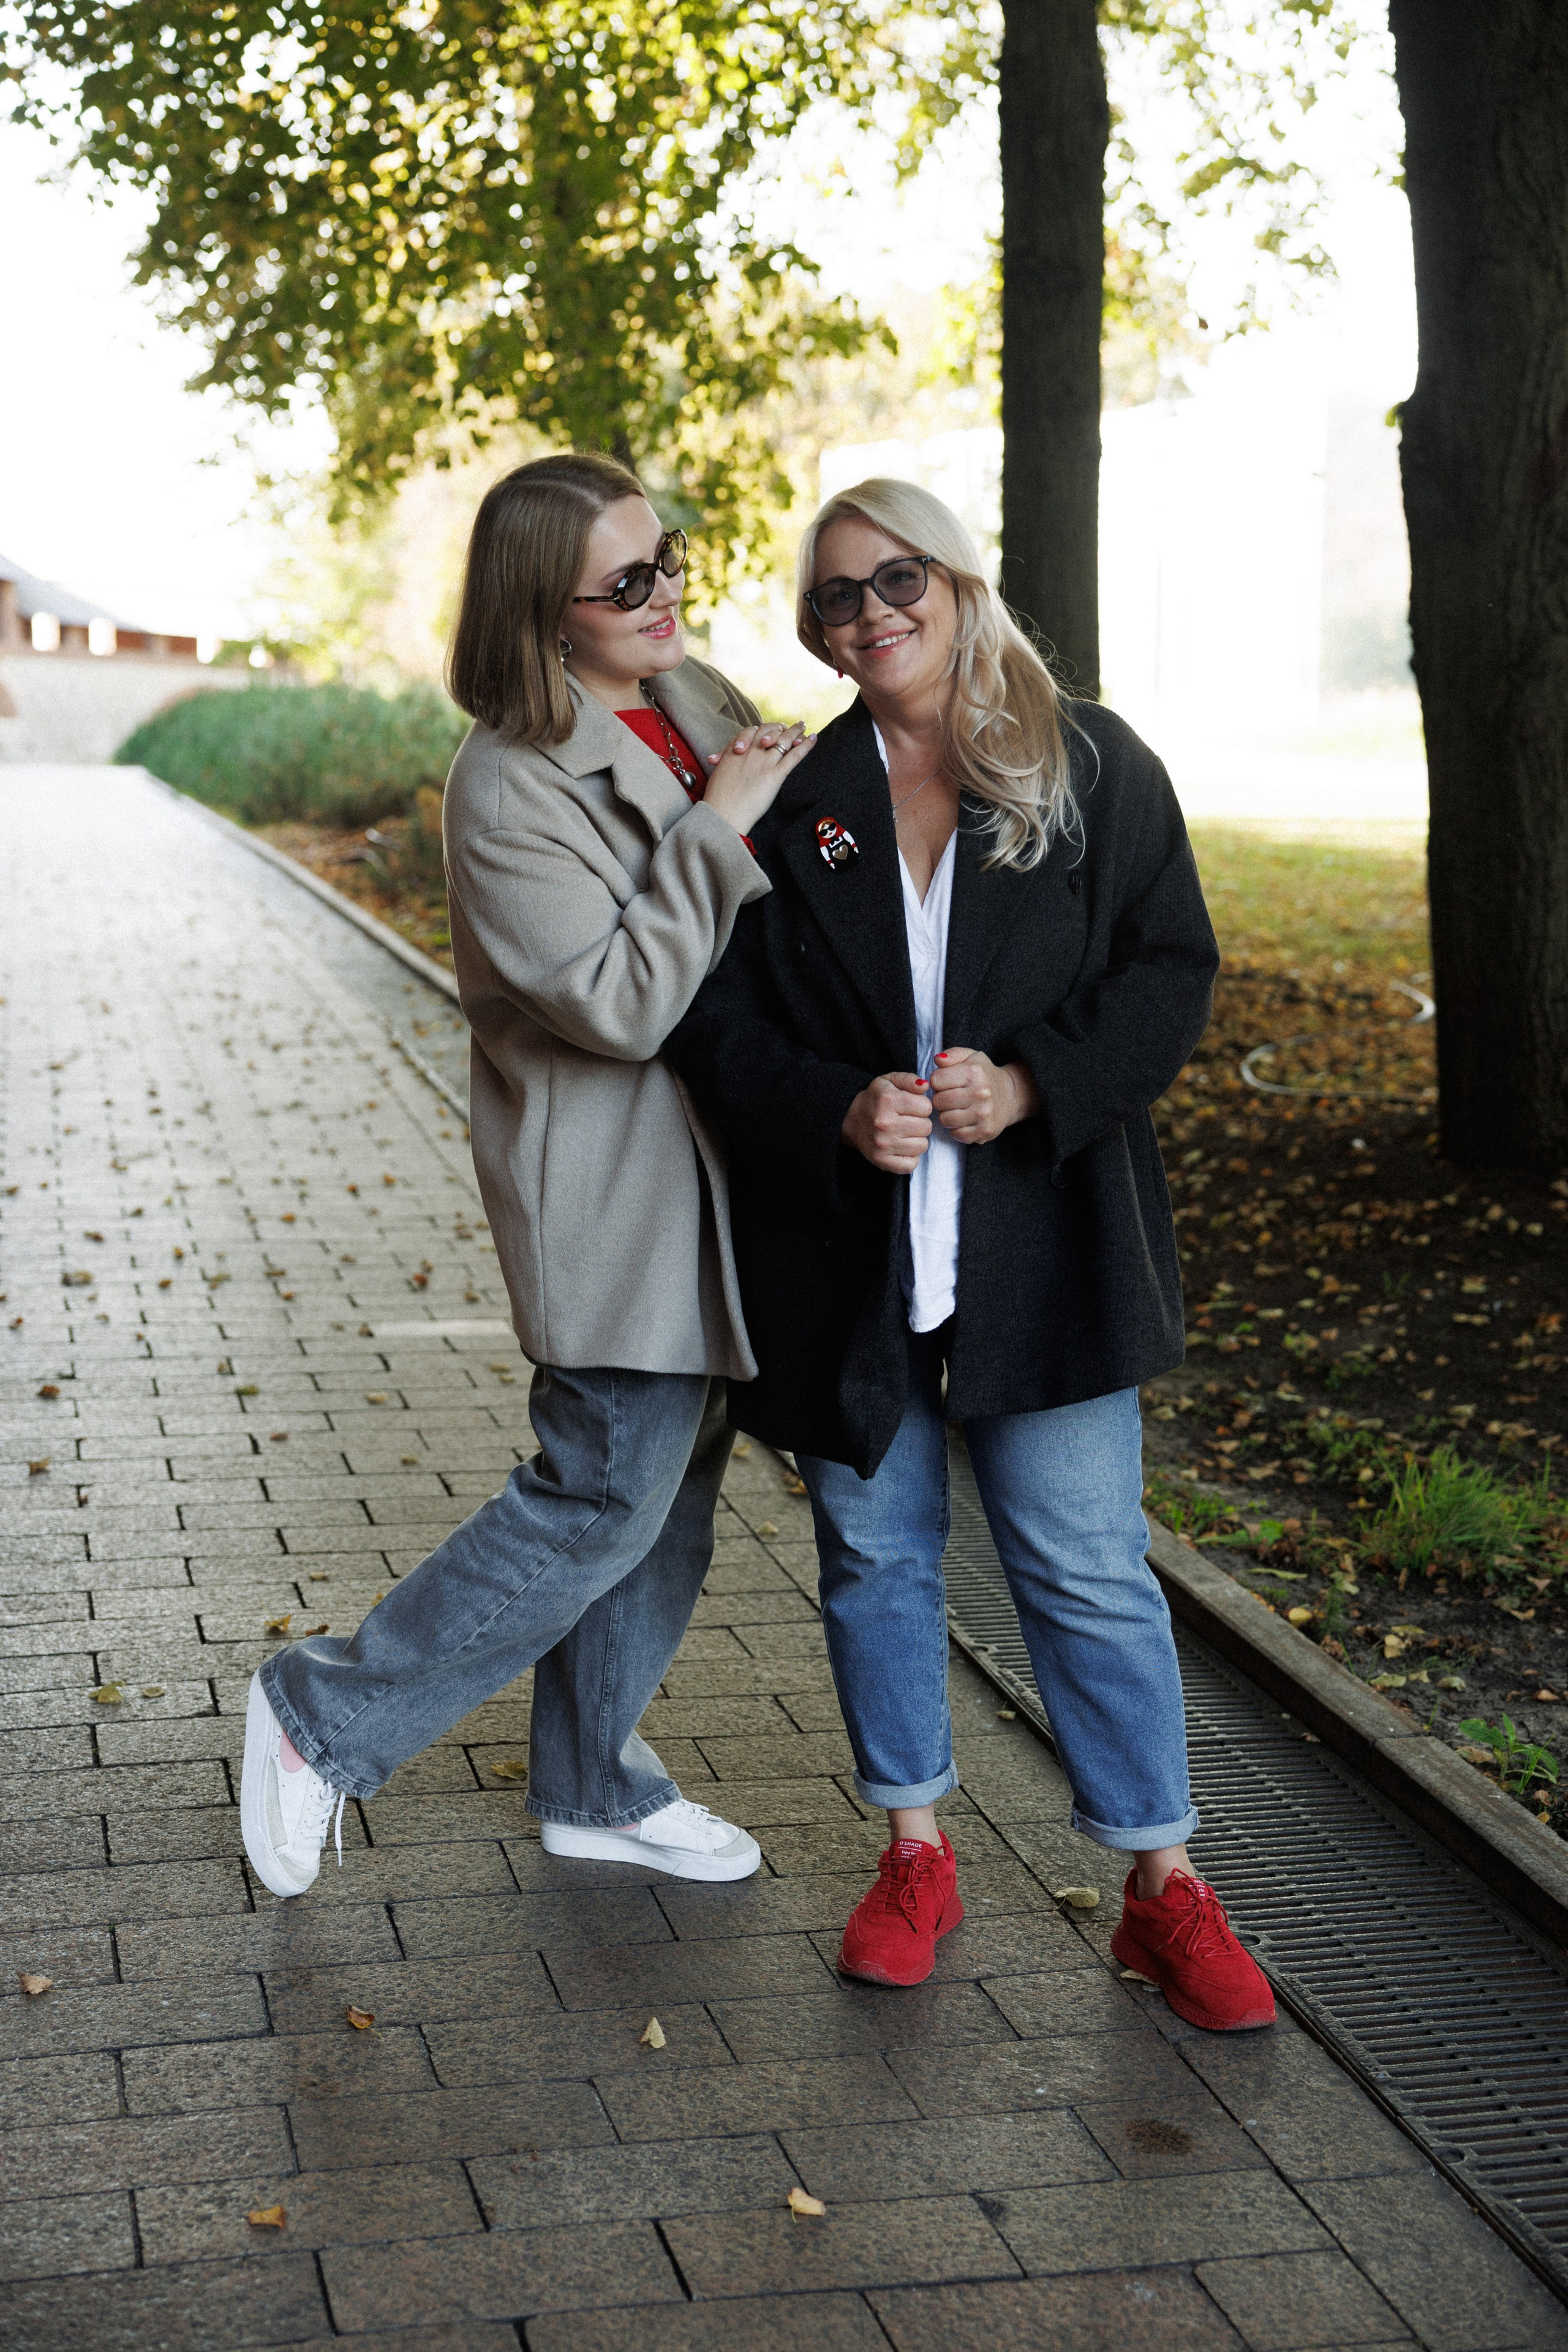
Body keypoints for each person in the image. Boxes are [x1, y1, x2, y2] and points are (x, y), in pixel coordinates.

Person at [667, 478, 1275, 2032]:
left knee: (1083, 1573)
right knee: (874, 1560)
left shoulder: (1087, 763)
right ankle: (913, 1853)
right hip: (854, 1259)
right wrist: (830, 1110)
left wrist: (1032, 1086)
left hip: (1047, 1243)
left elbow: (1166, 966)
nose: (867, 615)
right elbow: (715, 1021)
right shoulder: (798, 794)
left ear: (954, 578)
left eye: (895, 579)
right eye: (831, 601)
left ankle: (1159, 1888)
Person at [240, 452, 815, 1899]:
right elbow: (615, 1003)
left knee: (668, 1491)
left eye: (666, 556)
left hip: (724, 1170)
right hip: (613, 1192)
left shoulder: (690, 699)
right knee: (597, 1494)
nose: (664, 591)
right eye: (623, 583)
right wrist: (720, 830)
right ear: (540, 613)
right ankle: (323, 1713)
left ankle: (591, 1784)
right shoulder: (506, 786)